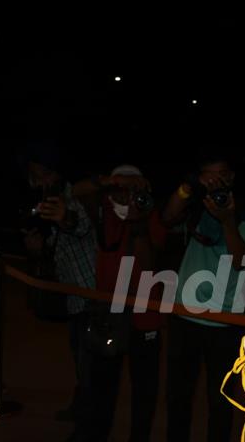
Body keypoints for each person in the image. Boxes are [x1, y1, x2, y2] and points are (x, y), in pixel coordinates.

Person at [161, 153, 245, 442]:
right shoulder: (195, 204)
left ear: (231, 176)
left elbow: (243, 260)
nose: (214, 181)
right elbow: (167, 218)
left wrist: (227, 220)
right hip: (183, 313)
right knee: (177, 397)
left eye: (220, 175)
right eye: (207, 175)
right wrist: (187, 188)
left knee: (220, 403)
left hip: (224, 319)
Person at [72, 164, 168, 442]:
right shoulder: (100, 209)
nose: (129, 195)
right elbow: (75, 191)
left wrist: (138, 222)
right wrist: (110, 181)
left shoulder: (150, 214)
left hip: (144, 315)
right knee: (101, 388)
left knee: (144, 391)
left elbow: (149, 265)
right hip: (107, 314)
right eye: (123, 189)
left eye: (135, 188)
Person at [19, 142, 98, 428]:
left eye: (40, 174)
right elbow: (54, 247)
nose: (36, 181)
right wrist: (37, 246)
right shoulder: (48, 203)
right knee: (81, 363)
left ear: (54, 173)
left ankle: (88, 426)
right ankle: (82, 412)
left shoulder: (70, 198)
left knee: (89, 366)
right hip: (74, 297)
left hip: (90, 294)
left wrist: (64, 218)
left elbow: (80, 225)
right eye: (33, 175)